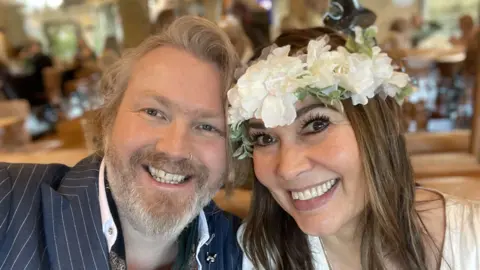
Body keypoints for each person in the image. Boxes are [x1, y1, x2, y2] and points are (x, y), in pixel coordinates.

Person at [0, 16, 243, 270]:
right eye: (153, 112)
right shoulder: (8, 201)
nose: (175, 148)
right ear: (109, 118)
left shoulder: (244, 251)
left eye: (207, 127)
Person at [228, 26, 480, 269]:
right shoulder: (255, 257)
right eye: (264, 139)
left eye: (316, 124)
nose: (288, 169)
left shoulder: (473, 240)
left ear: (376, 126)